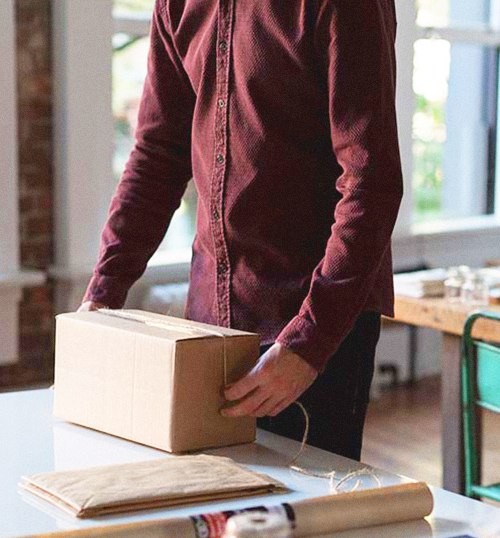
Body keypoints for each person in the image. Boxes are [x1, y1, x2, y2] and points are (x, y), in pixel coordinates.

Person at [80, 0, 403, 461]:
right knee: (210, 518)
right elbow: (157, 154)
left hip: (313, 327)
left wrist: (307, 344)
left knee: (302, 523)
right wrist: (102, 296)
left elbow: (371, 183)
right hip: (207, 327)